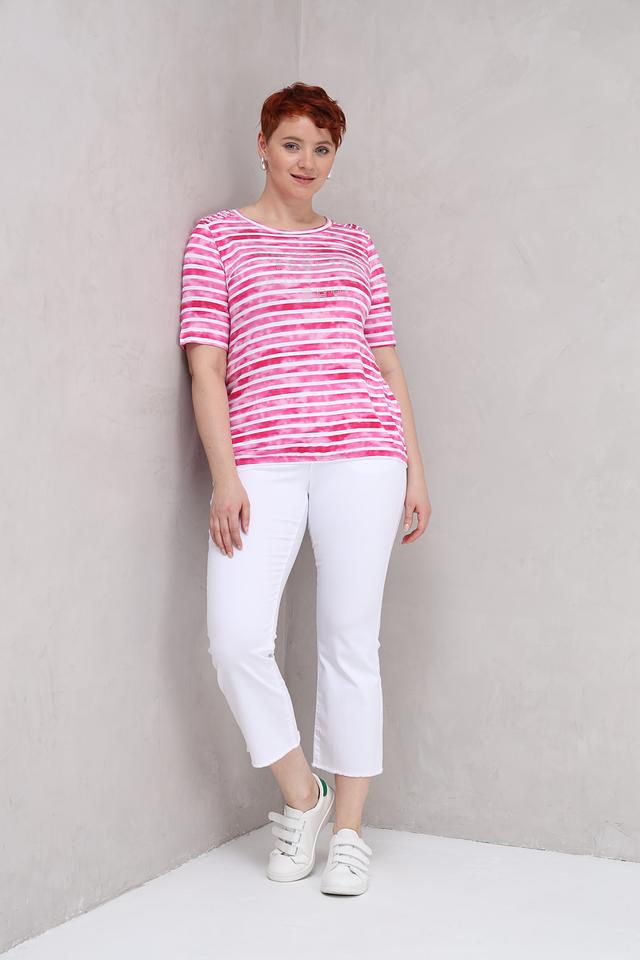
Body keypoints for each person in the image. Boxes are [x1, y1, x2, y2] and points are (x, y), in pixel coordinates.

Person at [178, 82, 431, 896]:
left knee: (350, 642)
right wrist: (224, 477)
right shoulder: (217, 237)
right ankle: (304, 795)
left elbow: (385, 361)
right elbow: (206, 368)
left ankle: (349, 833)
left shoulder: (355, 244)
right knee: (234, 640)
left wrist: (415, 469)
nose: (307, 161)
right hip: (262, 460)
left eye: (322, 149)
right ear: (262, 144)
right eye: (293, 144)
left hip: (365, 454)